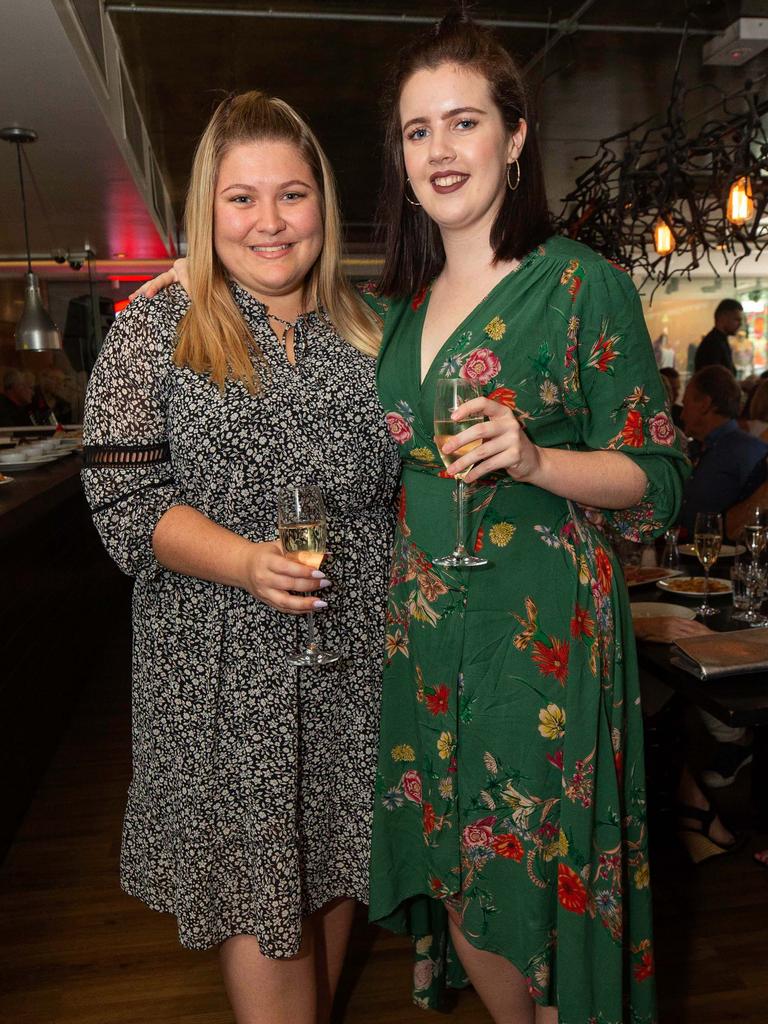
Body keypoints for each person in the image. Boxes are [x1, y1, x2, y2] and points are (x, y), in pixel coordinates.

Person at [137, 14, 689, 1021]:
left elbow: (659, 480)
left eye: (462, 122)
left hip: (544, 642)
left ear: (514, 138)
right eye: (416, 130)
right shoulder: (390, 309)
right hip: (422, 639)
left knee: (542, 876)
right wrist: (191, 272)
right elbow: (282, 313)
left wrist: (535, 456)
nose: (439, 149)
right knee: (464, 878)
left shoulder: (582, 287)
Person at [81, 91, 400, 1024]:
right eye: (241, 199)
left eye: (292, 195)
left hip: (353, 665)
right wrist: (247, 563)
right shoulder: (157, 326)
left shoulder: (373, 331)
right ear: (206, 213)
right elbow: (125, 505)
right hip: (223, 680)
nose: (270, 222)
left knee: (338, 866)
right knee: (265, 927)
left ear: (324, 207)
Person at [678, 365, 768, 537]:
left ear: (705, 404)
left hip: (721, 558)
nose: (682, 415)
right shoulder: (698, 449)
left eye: (686, 405)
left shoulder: (748, 452)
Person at [693, 298, 743, 375]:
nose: (740, 324)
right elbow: (716, 381)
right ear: (722, 317)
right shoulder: (712, 344)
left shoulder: (719, 340)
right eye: (736, 320)